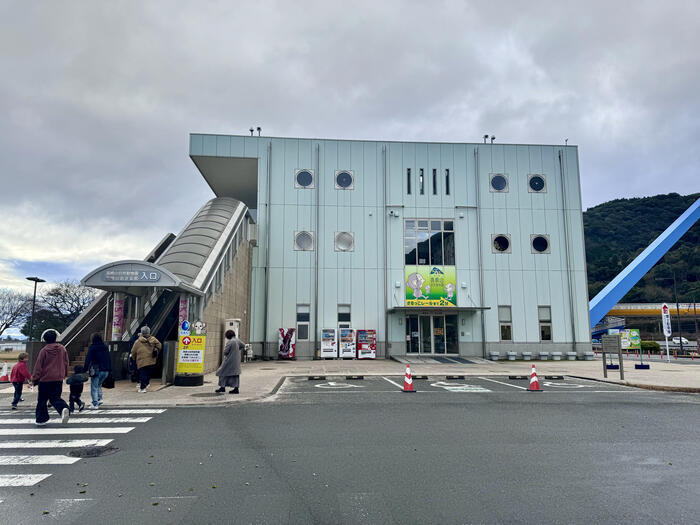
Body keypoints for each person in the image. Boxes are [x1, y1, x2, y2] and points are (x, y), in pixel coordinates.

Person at [32, 329, 70, 426]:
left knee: (42, 400)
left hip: (45, 379)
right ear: (55, 338)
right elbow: (66, 362)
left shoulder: (44, 350)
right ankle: (63, 408)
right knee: (55, 398)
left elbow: (39, 366)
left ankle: (41, 419)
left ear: (45, 339)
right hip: (58, 378)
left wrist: (34, 378)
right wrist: (65, 373)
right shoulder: (62, 348)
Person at [83, 332, 112, 408]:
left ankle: (95, 403)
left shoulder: (92, 348)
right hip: (106, 370)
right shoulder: (105, 347)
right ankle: (100, 398)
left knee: (94, 387)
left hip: (96, 370)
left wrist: (84, 369)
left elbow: (88, 359)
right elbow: (109, 358)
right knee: (99, 385)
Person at [130, 326, 162, 393]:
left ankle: (143, 388)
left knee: (143, 374)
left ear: (142, 332)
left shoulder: (138, 341)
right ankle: (146, 383)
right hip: (151, 360)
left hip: (141, 361)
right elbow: (160, 346)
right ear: (149, 332)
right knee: (148, 373)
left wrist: (133, 358)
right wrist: (155, 349)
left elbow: (133, 351)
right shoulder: (153, 339)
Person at [215, 330, 244, 394]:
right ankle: (236, 388)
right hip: (236, 361)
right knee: (235, 375)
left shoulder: (230, 342)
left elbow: (225, 352)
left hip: (229, 361)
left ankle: (222, 387)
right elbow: (243, 345)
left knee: (222, 372)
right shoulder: (237, 340)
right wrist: (237, 350)